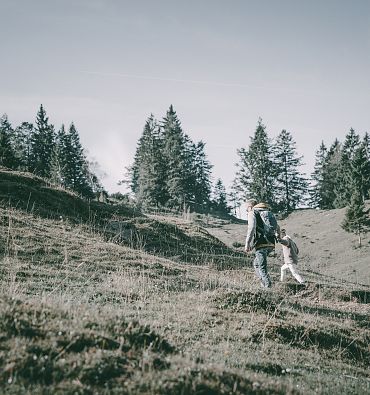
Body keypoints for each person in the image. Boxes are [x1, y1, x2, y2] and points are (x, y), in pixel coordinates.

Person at [244, 199, 278, 288]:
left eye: (246, 208)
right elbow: (277, 227)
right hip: (271, 242)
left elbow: (251, 228)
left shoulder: (253, 212)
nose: (246, 211)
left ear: (250, 207)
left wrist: (247, 243)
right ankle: (263, 283)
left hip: (261, 242)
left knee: (262, 267)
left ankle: (267, 286)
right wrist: (279, 238)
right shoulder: (267, 212)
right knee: (256, 264)